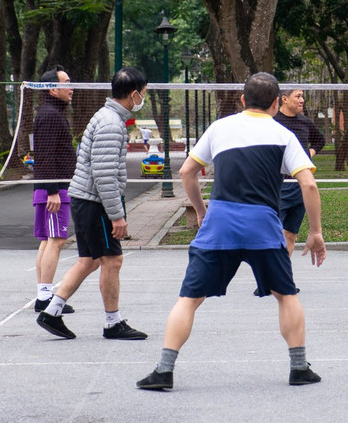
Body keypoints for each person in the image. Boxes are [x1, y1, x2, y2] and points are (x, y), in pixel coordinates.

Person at [136, 72, 326, 391]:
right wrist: (316, 231)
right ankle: (299, 368)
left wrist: (201, 211)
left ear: (242, 100)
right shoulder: (283, 135)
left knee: (188, 299)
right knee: (286, 295)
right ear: (276, 103)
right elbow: (308, 184)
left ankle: (164, 370)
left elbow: (187, 172)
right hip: (263, 226)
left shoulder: (219, 128)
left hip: (220, 223)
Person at [36, 67, 148, 342]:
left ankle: (51, 311)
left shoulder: (106, 116)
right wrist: (116, 215)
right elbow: (104, 174)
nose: (143, 98)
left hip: (86, 199)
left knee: (89, 261)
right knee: (113, 260)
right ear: (134, 94)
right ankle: (113, 322)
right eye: (143, 93)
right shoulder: (111, 124)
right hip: (94, 202)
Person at [32, 66, 76, 315]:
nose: (71, 88)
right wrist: (52, 191)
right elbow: (46, 155)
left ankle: (43, 295)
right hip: (54, 189)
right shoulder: (50, 115)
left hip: (53, 187)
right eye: (66, 82)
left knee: (48, 241)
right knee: (56, 240)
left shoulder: (52, 113)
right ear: (52, 89)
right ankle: (45, 298)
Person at [274, 88, 326, 252]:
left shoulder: (305, 122)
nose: (302, 100)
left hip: (300, 186)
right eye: (298, 96)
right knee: (274, 234)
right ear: (284, 99)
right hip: (279, 185)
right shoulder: (272, 122)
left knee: (290, 234)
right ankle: (274, 266)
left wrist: (308, 154)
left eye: (302, 96)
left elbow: (320, 141)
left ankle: (285, 267)